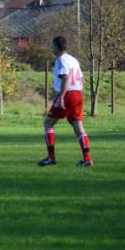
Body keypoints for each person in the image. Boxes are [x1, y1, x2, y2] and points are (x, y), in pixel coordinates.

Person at [39, 36, 93, 167]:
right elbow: (82, 79)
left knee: (48, 123)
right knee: (78, 127)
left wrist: (62, 96)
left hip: (68, 93)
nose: (51, 48)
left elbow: (66, 77)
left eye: (52, 46)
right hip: (78, 93)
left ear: (57, 47)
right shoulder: (73, 59)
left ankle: (51, 158)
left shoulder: (61, 60)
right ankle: (87, 159)